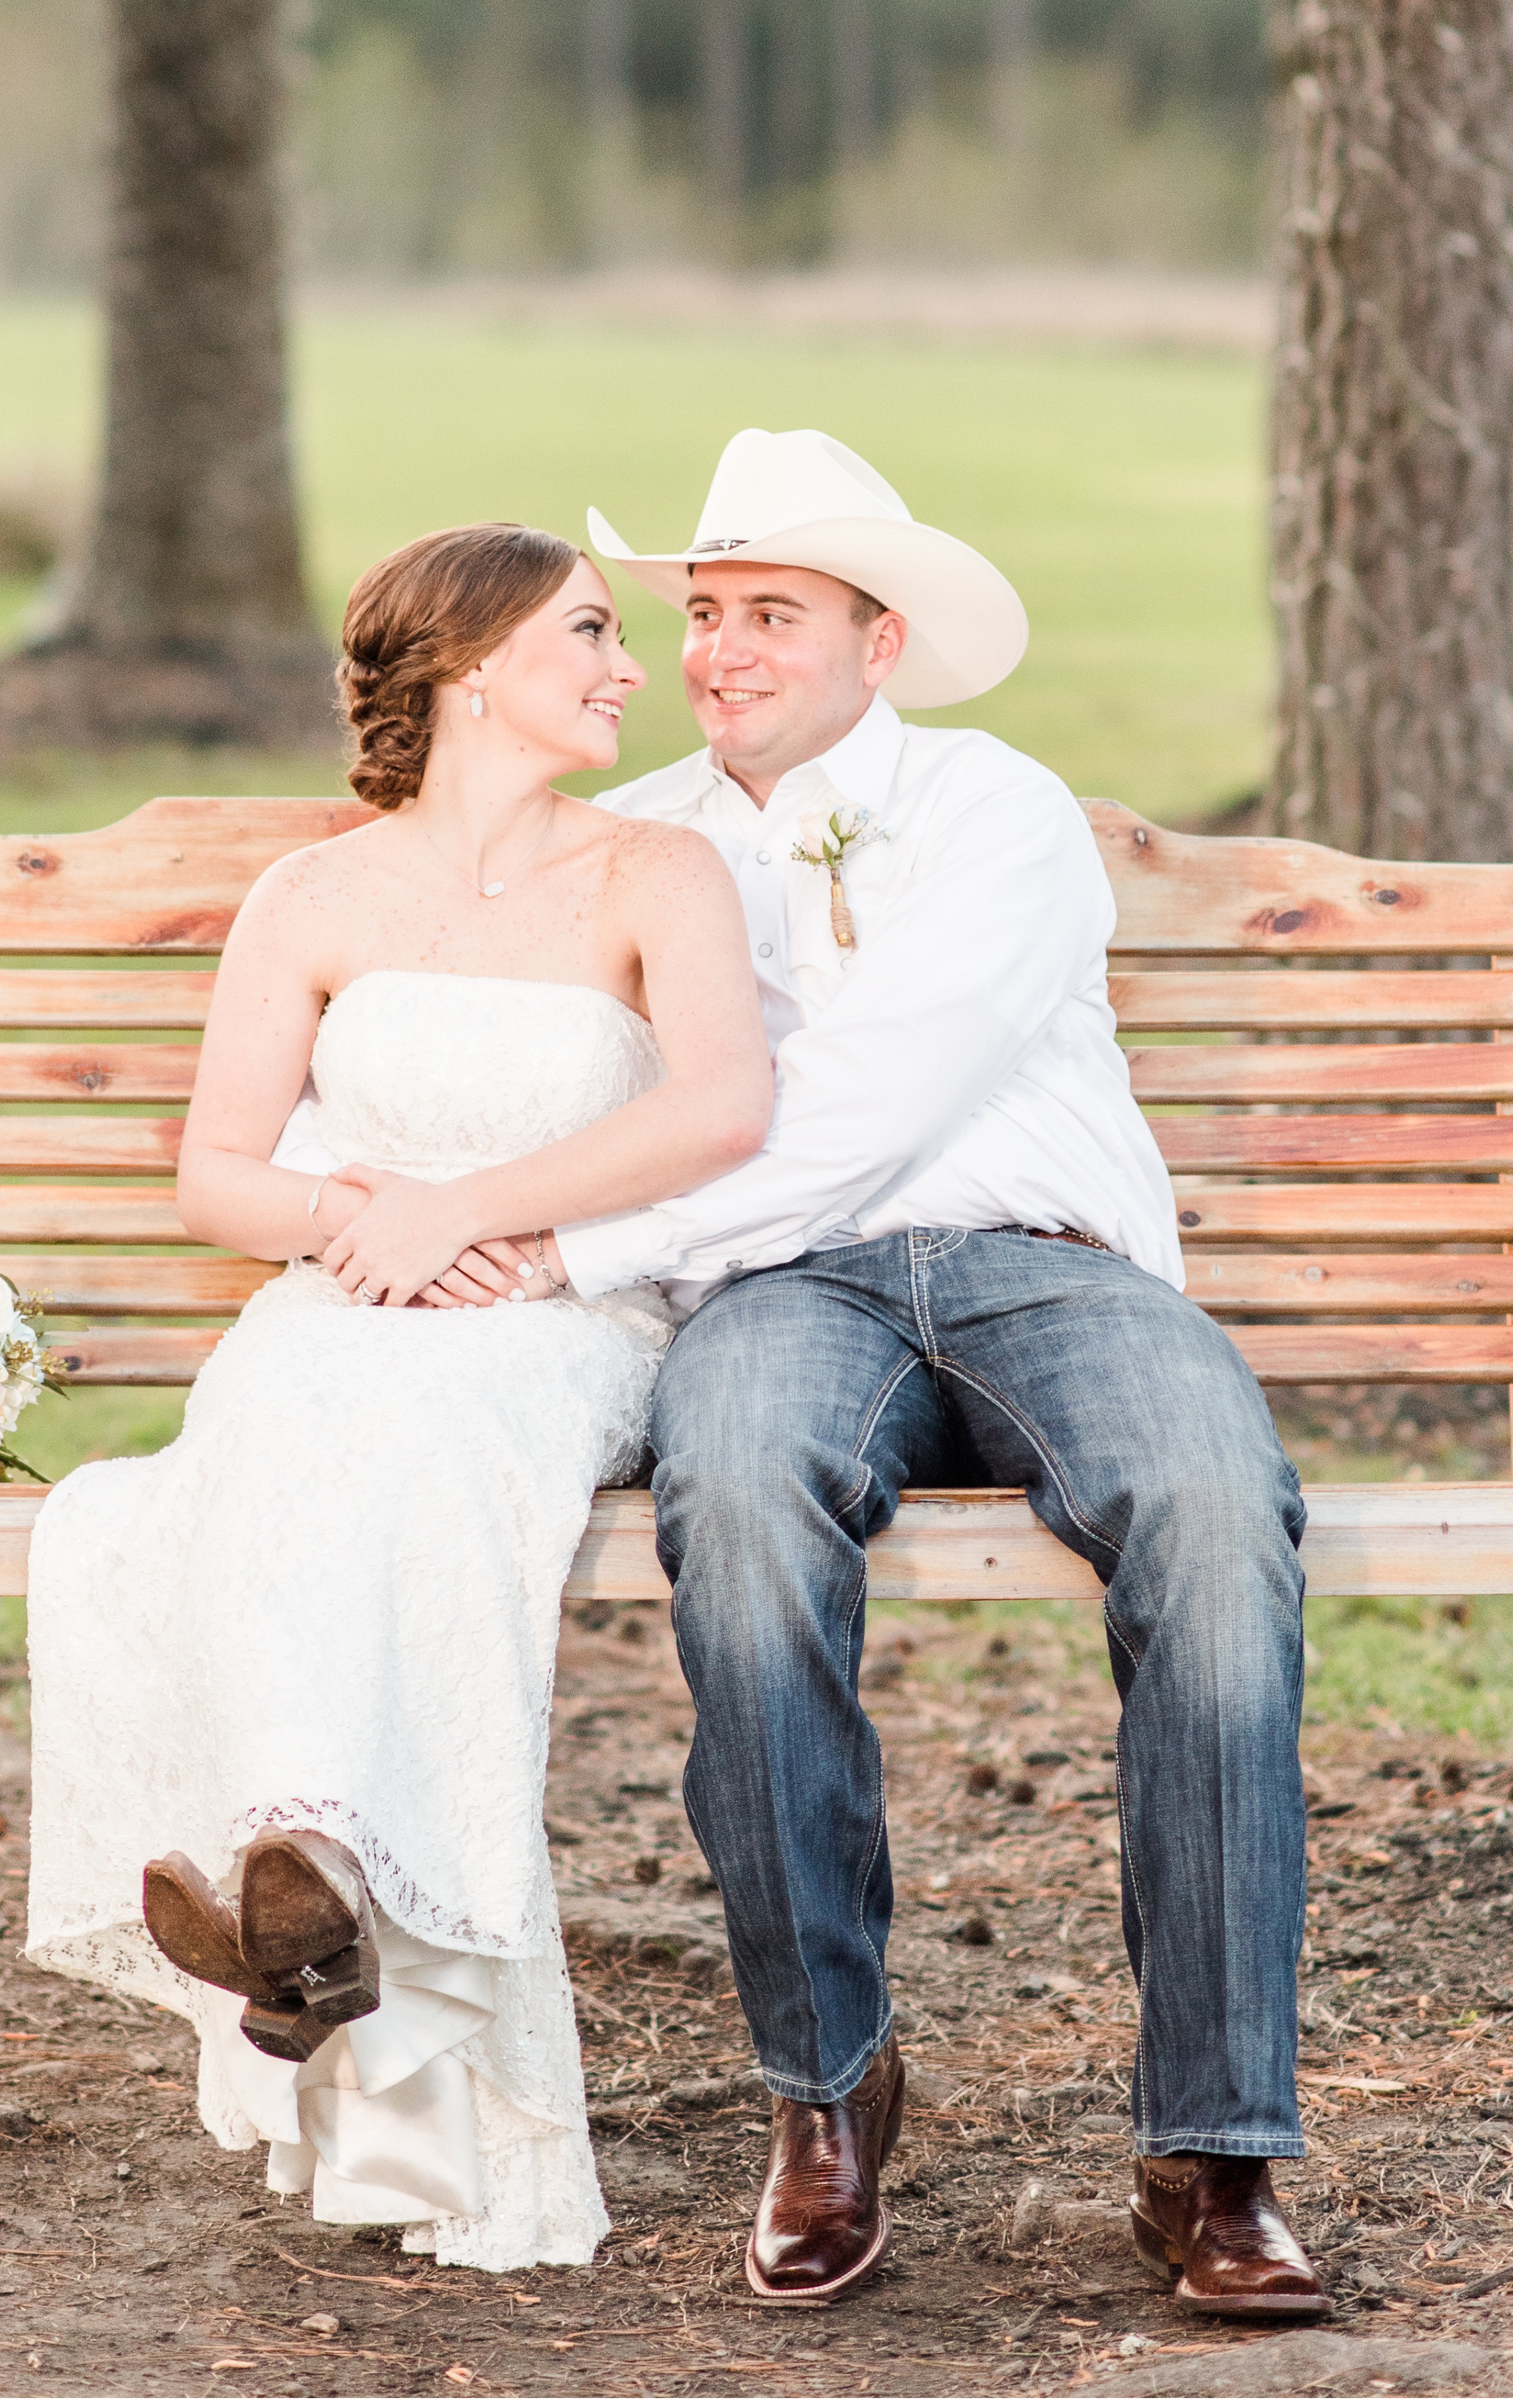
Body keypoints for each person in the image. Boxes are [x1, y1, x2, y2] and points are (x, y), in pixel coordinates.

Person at [444, 429, 1329, 2322]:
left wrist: (575, 1245)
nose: (721, 648)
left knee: (1210, 1513)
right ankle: (825, 2096)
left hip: (1042, 1273)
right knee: (742, 1513)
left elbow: (863, 1102)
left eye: (771, 611)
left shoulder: (995, 806)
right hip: (778, 1296)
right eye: (702, 613)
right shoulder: (644, 838)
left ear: (879, 637)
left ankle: (1216, 2147)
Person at [23, 522, 770, 2274]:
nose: (625, 666)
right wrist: (359, 1222)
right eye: (589, 633)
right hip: (353, 1292)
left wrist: (477, 1216)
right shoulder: (313, 896)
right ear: (468, 664)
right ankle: (312, 1879)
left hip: (552, 1313)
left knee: (422, 1447)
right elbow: (217, 1173)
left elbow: (722, 1109)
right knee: (276, 1431)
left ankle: (306, 1889)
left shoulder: (654, 873)